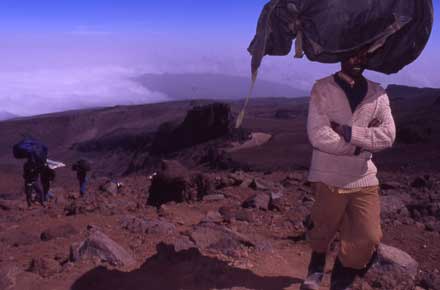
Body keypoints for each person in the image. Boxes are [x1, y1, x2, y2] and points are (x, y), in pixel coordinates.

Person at [301, 48, 396, 290]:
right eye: (354, 54)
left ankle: (341, 276)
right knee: (323, 228)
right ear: (341, 55)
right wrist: (359, 146)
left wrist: (349, 132)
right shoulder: (322, 88)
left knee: (369, 238)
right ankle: (317, 265)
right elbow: (318, 134)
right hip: (328, 174)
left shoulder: (378, 93)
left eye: (364, 55)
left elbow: (388, 135)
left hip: (363, 175)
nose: (359, 60)